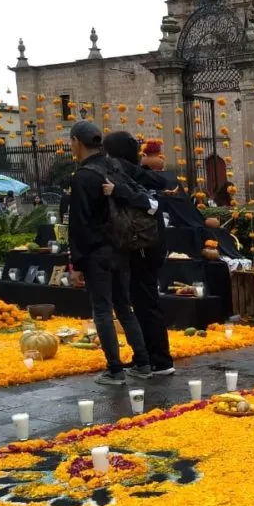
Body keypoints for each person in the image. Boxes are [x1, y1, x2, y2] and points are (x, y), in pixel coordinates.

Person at [67, 120, 153, 386]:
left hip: (97, 252)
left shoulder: (84, 176)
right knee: (123, 306)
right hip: (121, 247)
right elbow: (143, 195)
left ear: (76, 142)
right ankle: (142, 363)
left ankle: (115, 369)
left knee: (102, 310)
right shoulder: (114, 166)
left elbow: (79, 223)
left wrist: (77, 262)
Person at [103, 130, 176, 377]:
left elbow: (150, 201)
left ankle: (159, 360)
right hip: (151, 242)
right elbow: (164, 182)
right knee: (144, 299)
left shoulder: (121, 169)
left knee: (145, 301)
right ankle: (149, 357)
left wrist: (118, 191)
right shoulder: (133, 169)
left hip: (144, 244)